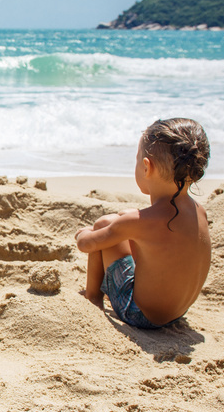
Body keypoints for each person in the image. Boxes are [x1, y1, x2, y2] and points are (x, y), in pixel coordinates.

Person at [75, 118, 211, 329]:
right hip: (177, 311)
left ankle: (93, 298)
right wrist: (130, 221)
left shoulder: (140, 223)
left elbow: (87, 245)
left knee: (104, 225)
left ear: (147, 167)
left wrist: (83, 234)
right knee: (128, 224)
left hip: (140, 314)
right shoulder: (198, 210)